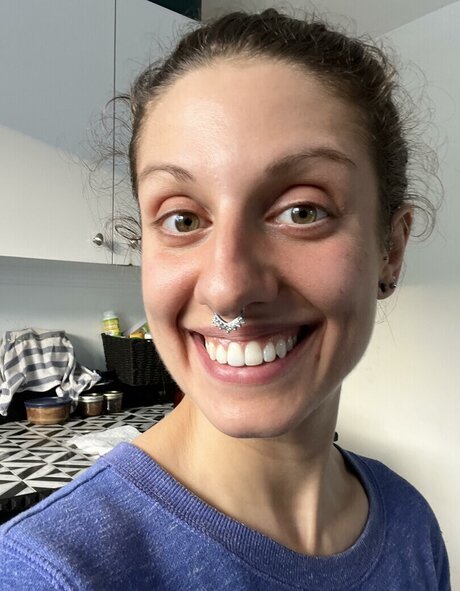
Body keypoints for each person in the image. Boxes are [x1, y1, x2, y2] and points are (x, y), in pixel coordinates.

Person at [0, 9, 450, 590]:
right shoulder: (53, 572)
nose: (227, 288)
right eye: (183, 219)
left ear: (391, 248)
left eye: (302, 211)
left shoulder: (412, 524)